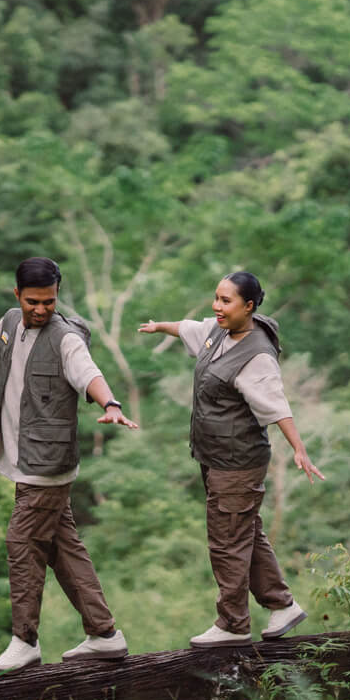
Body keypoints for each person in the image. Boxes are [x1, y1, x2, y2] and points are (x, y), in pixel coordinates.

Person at [0, 257, 138, 672]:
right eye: (33, 302)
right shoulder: (10, 323)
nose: (41, 309)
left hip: (46, 465)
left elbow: (89, 374)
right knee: (63, 547)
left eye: (49, 301)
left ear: (57, 296)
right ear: (17, 295)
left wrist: (111, 404)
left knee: (21, 542)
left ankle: (25, 640)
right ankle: (104, 634)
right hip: (22, 459)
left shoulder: (65, 339)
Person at [139, 271, 325, 648]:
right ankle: (282, 605)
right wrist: (161, 327)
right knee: (245, 532)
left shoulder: (257, 357)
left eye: (226, 301)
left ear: (249, 306)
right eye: (216, 298)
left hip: (237, 463)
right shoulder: (219, 330)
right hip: (216, 456)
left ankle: (233, 623)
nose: (217, 306)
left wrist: (299, 449)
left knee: (227, 542)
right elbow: (190, 328)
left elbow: (277, 406)